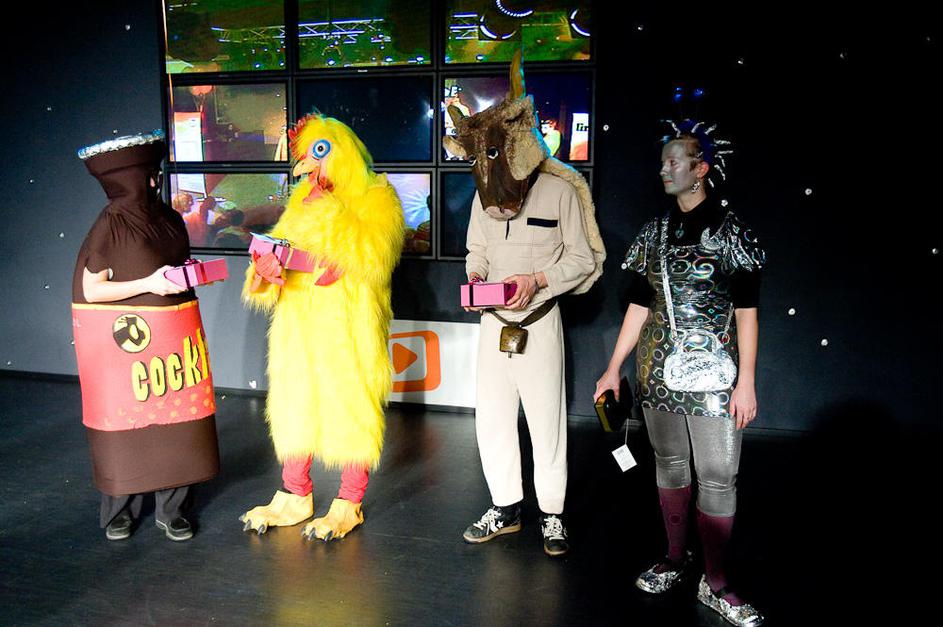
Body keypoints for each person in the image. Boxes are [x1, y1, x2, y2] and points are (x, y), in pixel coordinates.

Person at [594, 120, 765, 625]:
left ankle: (717, 582)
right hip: (659, 372)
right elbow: (638, 306)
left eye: (676, 161)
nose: (665, 169)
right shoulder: (654, 234)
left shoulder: (732, 232)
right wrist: (613, 368)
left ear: (702, 168)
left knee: (718, 476)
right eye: (663, 161)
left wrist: (747, 381)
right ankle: (674, 557)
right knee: (669, 464)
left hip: (716, 378)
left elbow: (747, 313)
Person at [445, 51, 605, 557]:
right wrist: (475, 278)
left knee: (546, 422)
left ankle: (552, 514)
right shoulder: (483, 193)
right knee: (491, 419)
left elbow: (582, 259)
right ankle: (506, 507)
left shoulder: (560, 192)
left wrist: (537, 280)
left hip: (539, 322)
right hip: (494, 324)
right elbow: (476, 249)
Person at [72, 130, 220, 542]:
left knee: (178, 424)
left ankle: (173, 509)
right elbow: (92, 290)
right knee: (126, 425)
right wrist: (151, 283)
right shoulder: (110, 226)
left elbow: (174, 264)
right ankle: (120, 508)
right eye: (148, 175)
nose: (155, 181)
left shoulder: (169, 219)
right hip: (126, 346)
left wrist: (191, 275)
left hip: (173, 344)